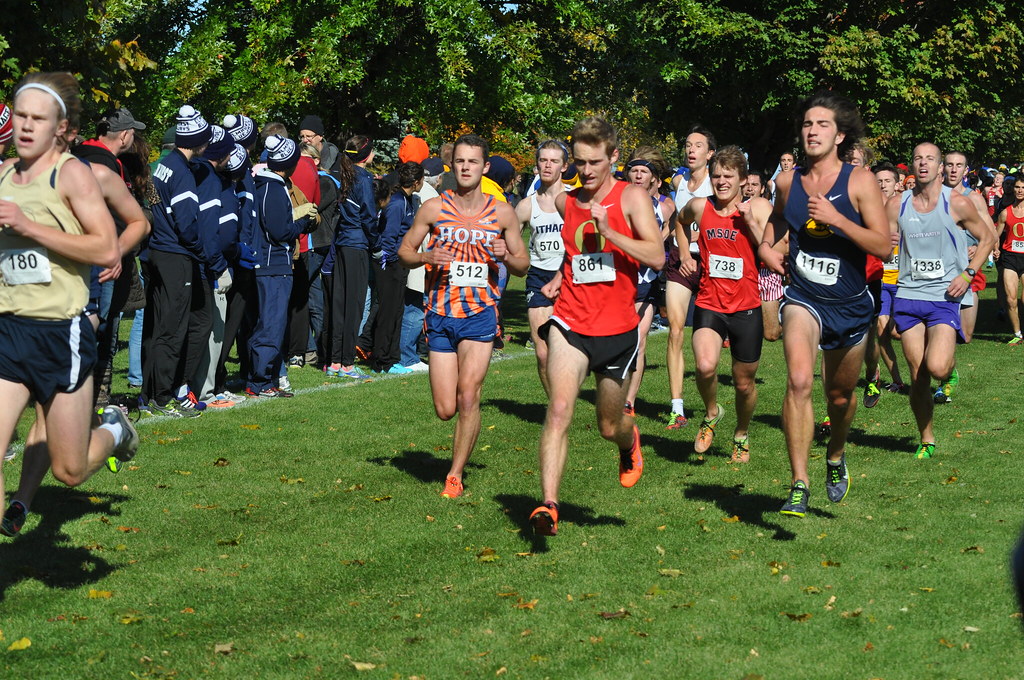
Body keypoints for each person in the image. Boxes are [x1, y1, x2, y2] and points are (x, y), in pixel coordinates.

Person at [0, 72, 137, 536]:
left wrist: (28, 226)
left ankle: (116, 430)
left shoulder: (74, 174)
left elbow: (105, 248)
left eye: (38, 118)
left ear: (61, 127)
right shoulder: (2, 175)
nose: (26, 126)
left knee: (70, 471)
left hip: (62, 332)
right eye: (20, 115)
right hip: (9, 329)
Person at [758, 91, 892, 518]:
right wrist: (766, 248)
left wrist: (838, 220)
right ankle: (799, 482)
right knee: (799, 381)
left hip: (851, 306)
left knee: (839, 396)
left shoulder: (859, 181)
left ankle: (836, 455)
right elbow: (779, 218)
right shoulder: (787, 181)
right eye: (807, 124)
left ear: (839, 135)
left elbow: (884, 247)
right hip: (803, 298)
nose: (812, 131)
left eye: (822, 125)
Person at [528, 117, 664, 536]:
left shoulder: (632, 198)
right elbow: (574, 257)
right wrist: (556, 279)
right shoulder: (566, 202)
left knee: (609, 425)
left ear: (614, 158)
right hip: (570, 322)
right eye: (580, 162)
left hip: (618, 329)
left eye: (594, 162)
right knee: (559, 411)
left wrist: (611, 232)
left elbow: (657, 257)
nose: (585, 171)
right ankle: (549, 504)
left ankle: (629, 441)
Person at [398, 134, 527, 499]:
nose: (466, 167)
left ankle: (454, 475)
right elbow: (404, 251)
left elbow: (522, 265)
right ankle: (456, 451)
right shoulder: (434, 209)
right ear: (452, 166)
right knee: (445, 408)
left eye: (473, 162)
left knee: (469, 395)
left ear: (485, 167)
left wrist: (505, 255)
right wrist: (426, 258)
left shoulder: (501, 212)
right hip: (439, 314)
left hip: (479, 315)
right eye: (460, 161)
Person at [890, 143, 993, 459]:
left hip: (943, 297)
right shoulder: (898, 203)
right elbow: (880, 240)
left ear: (939, 168)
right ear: (912, 166)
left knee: (936, 366)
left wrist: (967, 273)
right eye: (917, 158)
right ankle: (926, 436)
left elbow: (988, 238)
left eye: (930, 159)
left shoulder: (957, 203)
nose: (923, 163)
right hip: (908, 295)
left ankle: (949, 369)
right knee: (918, 373)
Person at [678, 146, 770, 462]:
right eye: (716, 176)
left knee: (744, 385)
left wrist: (752, 224)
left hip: (746, 307)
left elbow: (774, 248)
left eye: (728, 176)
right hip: (710, 302)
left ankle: (741, 434)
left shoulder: (756, 208)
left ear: (743, 179)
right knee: (704, 367)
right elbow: (680, 221)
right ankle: (712, 412)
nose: (721, 182)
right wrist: (682, 254)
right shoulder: (700, 207)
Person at [141, 105, 220, 418]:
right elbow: (187, 225)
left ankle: (151, 395)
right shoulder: (184, 173)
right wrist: (200, 249)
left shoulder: (165, 164)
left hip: (158, 252)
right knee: (173, 329)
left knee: (159, 327)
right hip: (175, 255)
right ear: (198, 142)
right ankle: (163, 397)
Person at [246, 135, 319, 397]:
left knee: (270, 323)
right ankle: (261, 381)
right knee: (272, 324)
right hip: (273, 265)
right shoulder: (272, 188)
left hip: (272, 264)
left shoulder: (267, 185)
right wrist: (303, 224)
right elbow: (279, 231)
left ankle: (263, 378)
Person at [665, 126, 716, 429]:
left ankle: (712, 401)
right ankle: (676, 407)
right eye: (687, 144)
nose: (691, 150)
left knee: (707, 339)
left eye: (698, 145)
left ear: (710, 153)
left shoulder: (717, 183)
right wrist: (683, 252)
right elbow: (677, 220)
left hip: (711, 262)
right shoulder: (679, 180)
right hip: (679, 260)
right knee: (675, 329)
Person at [622, 146, 675, 416]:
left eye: (644, 171)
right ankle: (615, 392)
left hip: (647, 279)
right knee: (618, 341)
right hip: (619, 278)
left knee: (639, 340)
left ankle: (629, 401)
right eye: (635, 170)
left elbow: (671, 229)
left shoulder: (664, 207)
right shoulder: (617, 200)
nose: (639, 175)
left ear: (654, 178)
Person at [514, 140, 568, 395]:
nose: (547, 165)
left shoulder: (573, 201)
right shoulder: (526, 206)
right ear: (536, 165)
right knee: (544, 352)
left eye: (554, 161)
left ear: (564, 166)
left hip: (570, 276)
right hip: (538, 277)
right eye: (543, 160)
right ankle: (556, 403)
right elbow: (511, 245)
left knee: (570, 349)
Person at [326, 135, 375, 379]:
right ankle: (346, 363)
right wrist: (377, 243)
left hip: (343, 242)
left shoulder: (343, 174)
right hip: (357, 244)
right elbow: (368, 216)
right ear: (367, 155)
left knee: (339, 303)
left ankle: (335, 360)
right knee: (354, 305)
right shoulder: (363, 178)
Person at [369, 161, 422, 374]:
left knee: (397, 311)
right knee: (388, 312)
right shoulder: (398, 203)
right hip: (389, 264)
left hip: (399, 263)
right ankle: (381, 361)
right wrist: (392, 262)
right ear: (417, 182)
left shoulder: (407, 200)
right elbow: (389, 237)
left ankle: (392, 358)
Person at [872, 162, 906, 394]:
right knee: (882, 332)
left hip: (903, 280)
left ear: (897, 184)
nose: (883, 185)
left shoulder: (906, 208)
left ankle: (938, 362)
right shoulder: (867, 211)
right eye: (879, 181)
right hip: (879, 279)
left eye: (887, 180)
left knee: (898, 332)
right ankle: (897, 380)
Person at [995, 177, 1024, 344]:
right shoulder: (1005, 212)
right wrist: (995, 248)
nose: (1020, 190)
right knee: (1010, 298)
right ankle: (1017, 334)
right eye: (1017, 187)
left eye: (1023, 187)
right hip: (1010, 257)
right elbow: (995, 235)